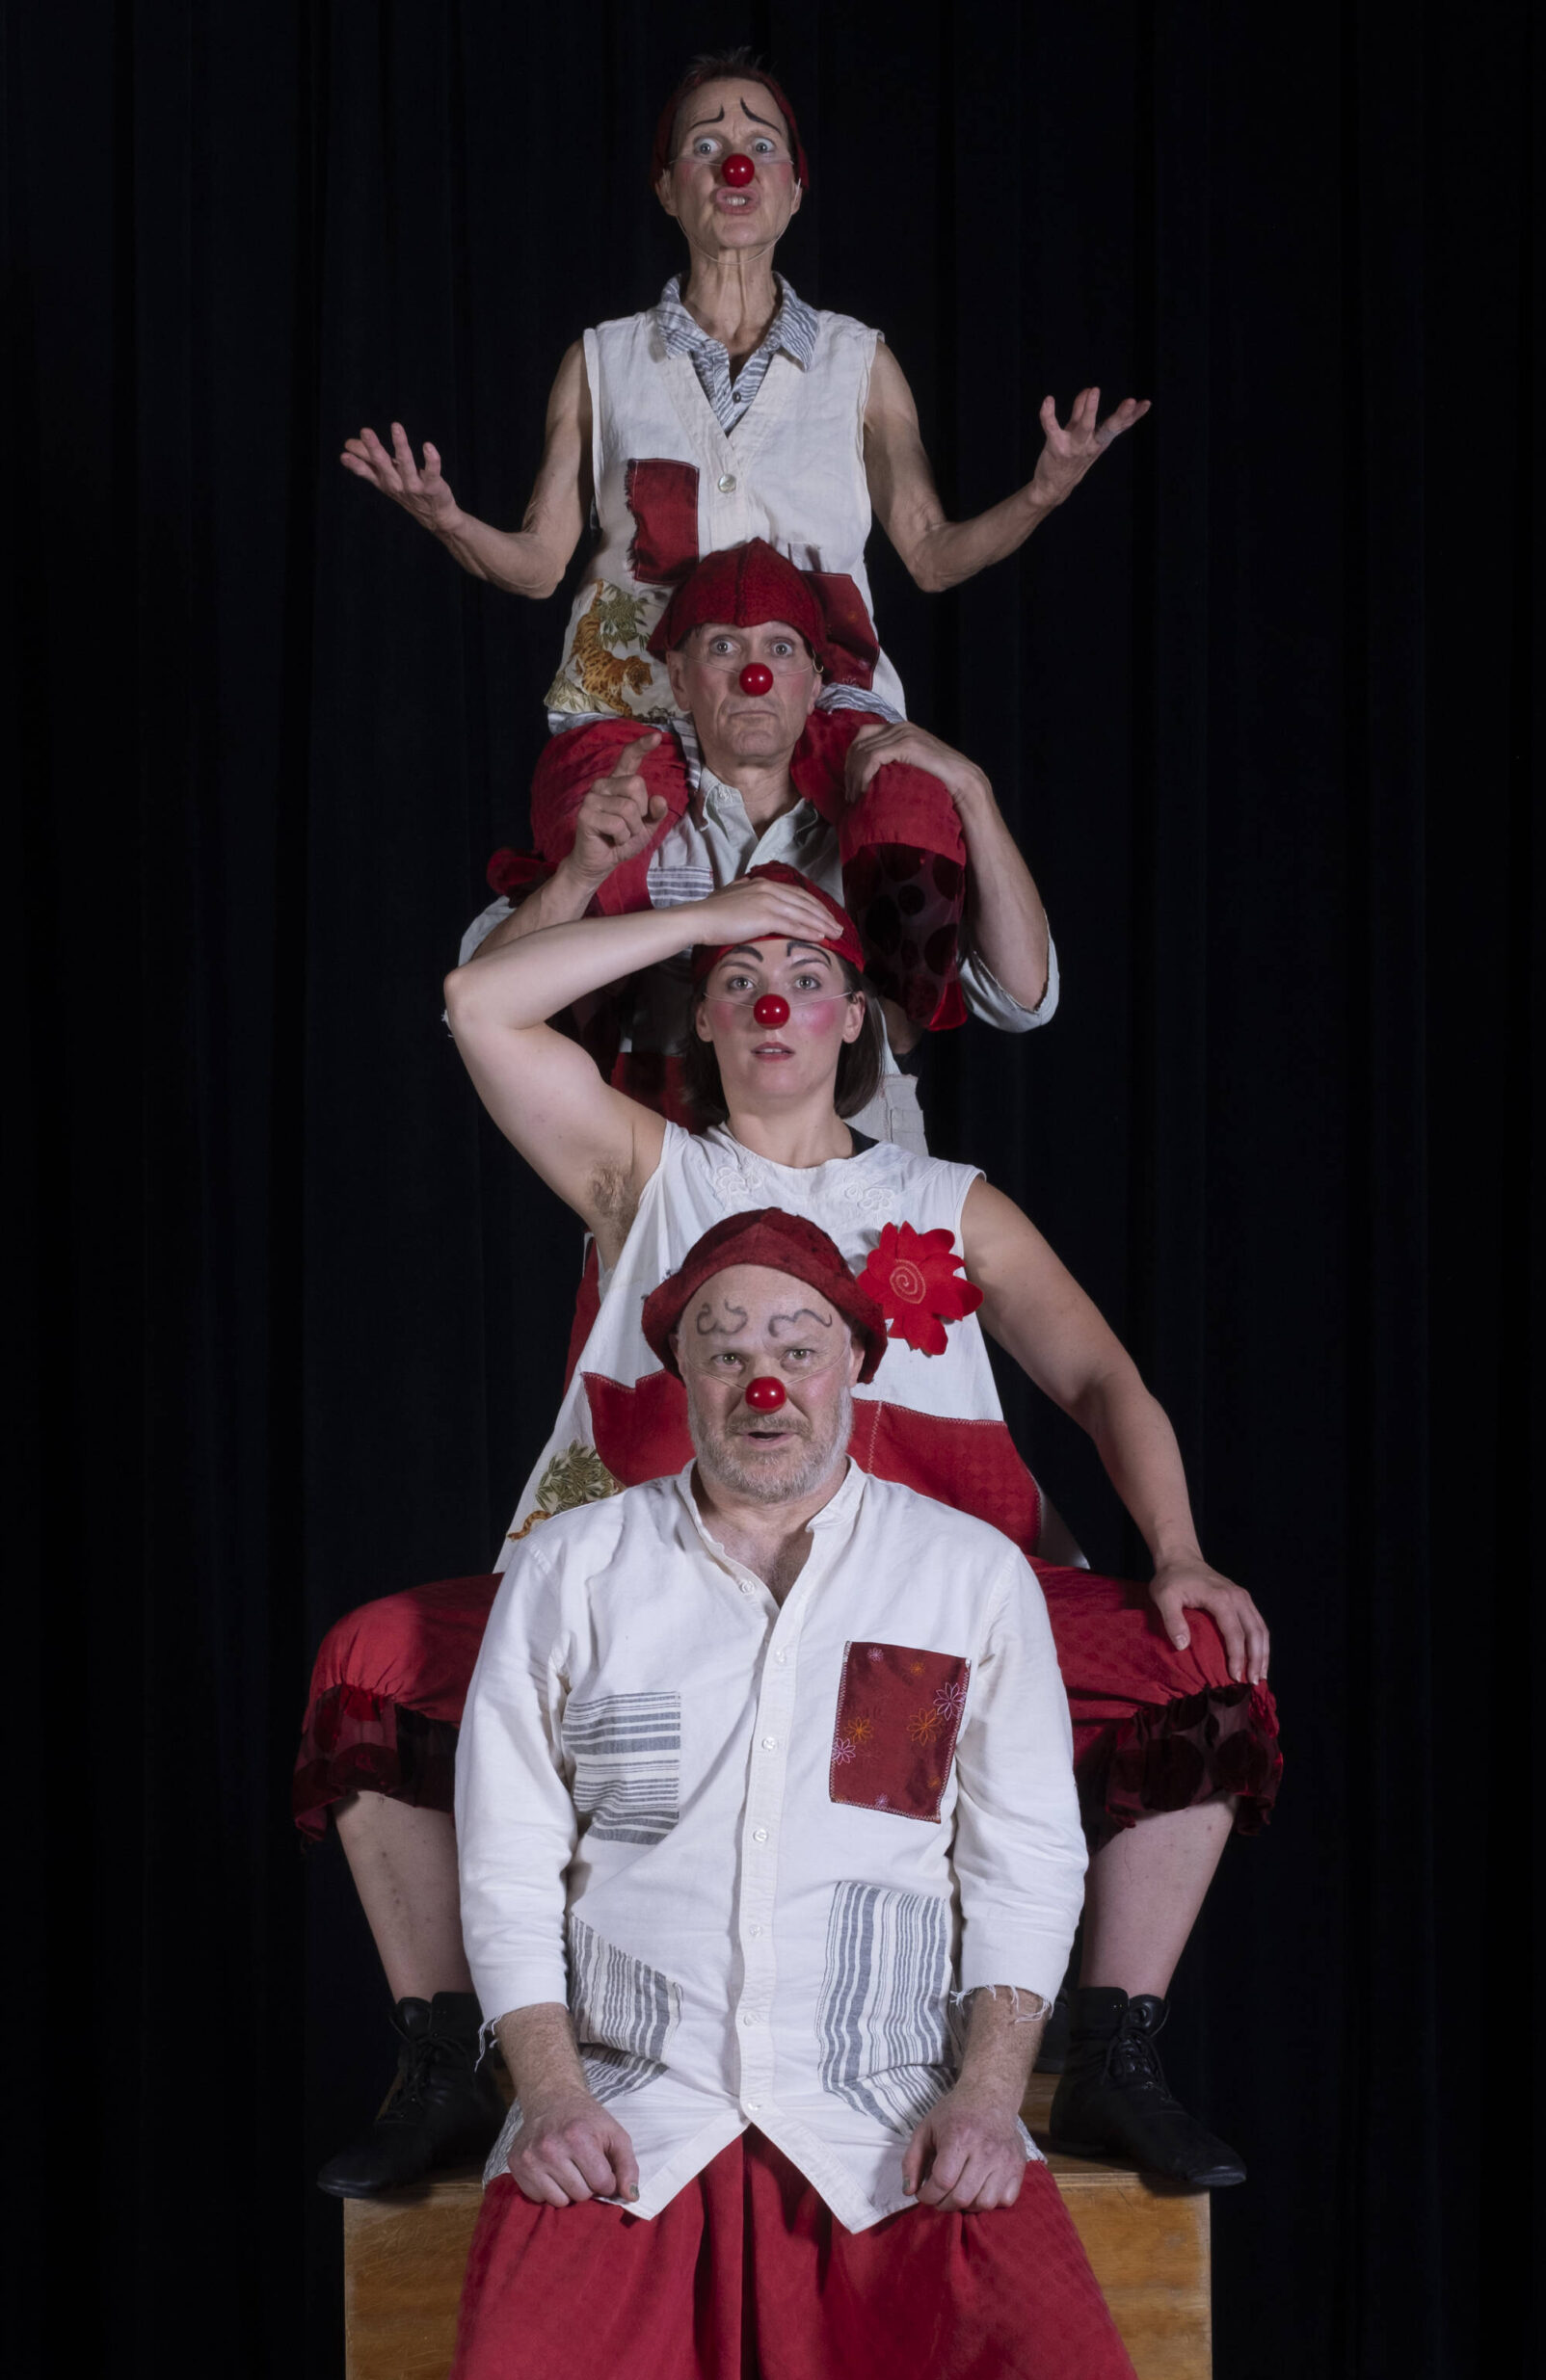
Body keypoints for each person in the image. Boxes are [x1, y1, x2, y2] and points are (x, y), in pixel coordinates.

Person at [298, 867, 1280, 2199]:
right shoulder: (648, 1168)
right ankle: (440, 2060)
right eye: (739, 984)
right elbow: (479, 1002)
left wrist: (1174, 1550)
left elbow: (1105, 1383)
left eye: (807, 979)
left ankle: (1115, 2045)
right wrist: (712, 915)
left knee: (1205, 1663)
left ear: (856, 1018)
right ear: (701, 1020)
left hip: (911, 1607)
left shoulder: (949, 1200)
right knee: (367, 1657)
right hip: (661, 1593)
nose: (774, 1002)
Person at [435, 1208, 1160, 2380]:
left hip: (889, 2119)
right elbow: (505, 1859)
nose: (762, 1378)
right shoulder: (574, 1570)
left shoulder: (965, 1577)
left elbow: (1026, 1860)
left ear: (856, 1364)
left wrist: (989, 2099)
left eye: (798, 1342)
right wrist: (549, 2096)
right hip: (630, 2117)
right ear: (683, 1379)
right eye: (722, 1347)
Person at [341, 48, 1148, 1029]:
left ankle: (878, 1039)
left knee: (907, 817)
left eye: (761, 146)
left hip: (823, 700)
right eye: (707, 145)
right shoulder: (602, 362)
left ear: (795, 188)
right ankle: (626, 1082)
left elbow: (931, 550)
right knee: (598, 856)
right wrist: (448, 520)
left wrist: (1041, 494)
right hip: (634, 703)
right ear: (667, 186)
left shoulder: (859, 364)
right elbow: (541, 561)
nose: (736, 164)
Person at [459, 535, 1058, 1160]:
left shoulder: (878, 821)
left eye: (781, 647)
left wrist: (974, 791)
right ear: (680, 681)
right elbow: (477, 998)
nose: (756, 676)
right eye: (724, 647)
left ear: (816, 681)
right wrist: (581, 876)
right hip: (665, 1170)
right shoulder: (627, 812)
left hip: (863, 1178)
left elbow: (1023, 1000)